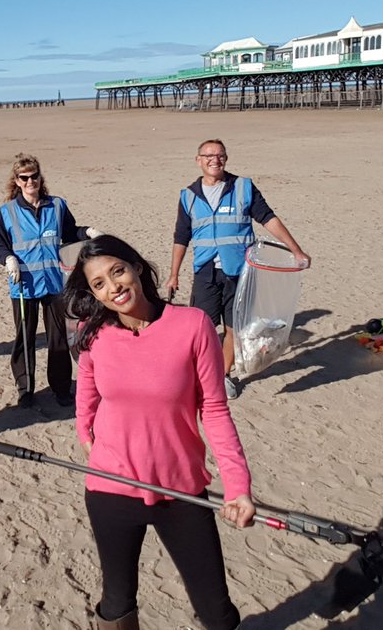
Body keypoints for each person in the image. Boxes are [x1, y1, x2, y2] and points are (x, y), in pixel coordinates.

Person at [64, 234, 254, 630]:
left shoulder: (192, 324)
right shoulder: (93, 333)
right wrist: (86, 438)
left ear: (136, 267)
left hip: (180, 491)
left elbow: (215, 410)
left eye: (118, 271)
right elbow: (87, 397)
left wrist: (237, 485)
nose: (113, 287)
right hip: (110, 488)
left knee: (216, 609)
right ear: (93, 294)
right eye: (99, 283)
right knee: (116, 602)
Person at [165, 138, 310, 399]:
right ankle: (202, 374)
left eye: (219, 155)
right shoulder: (187, 196)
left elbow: (269, 219)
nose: (214, 160)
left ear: (226, 159)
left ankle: (222, 375)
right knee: (202, 328)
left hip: (239, 272)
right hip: (205, 272)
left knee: (234, 327)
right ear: (198, 160)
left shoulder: (243, 187)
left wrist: (296, 250)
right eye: (208, 155)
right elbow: (181, 237)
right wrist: (174, 274)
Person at [0, 153, 99, 408]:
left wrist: (88, 232)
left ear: (40, 177)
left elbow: (70, 232)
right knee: (24, 337)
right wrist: (8, 259)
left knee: (58, 338)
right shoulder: (8, 212)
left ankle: (61, 388)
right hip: (23, 286)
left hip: (53, 284)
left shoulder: (57, 205)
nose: (30, 182)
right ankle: (25, 389)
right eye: (24, 178)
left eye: (34, 176)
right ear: (16, 181)